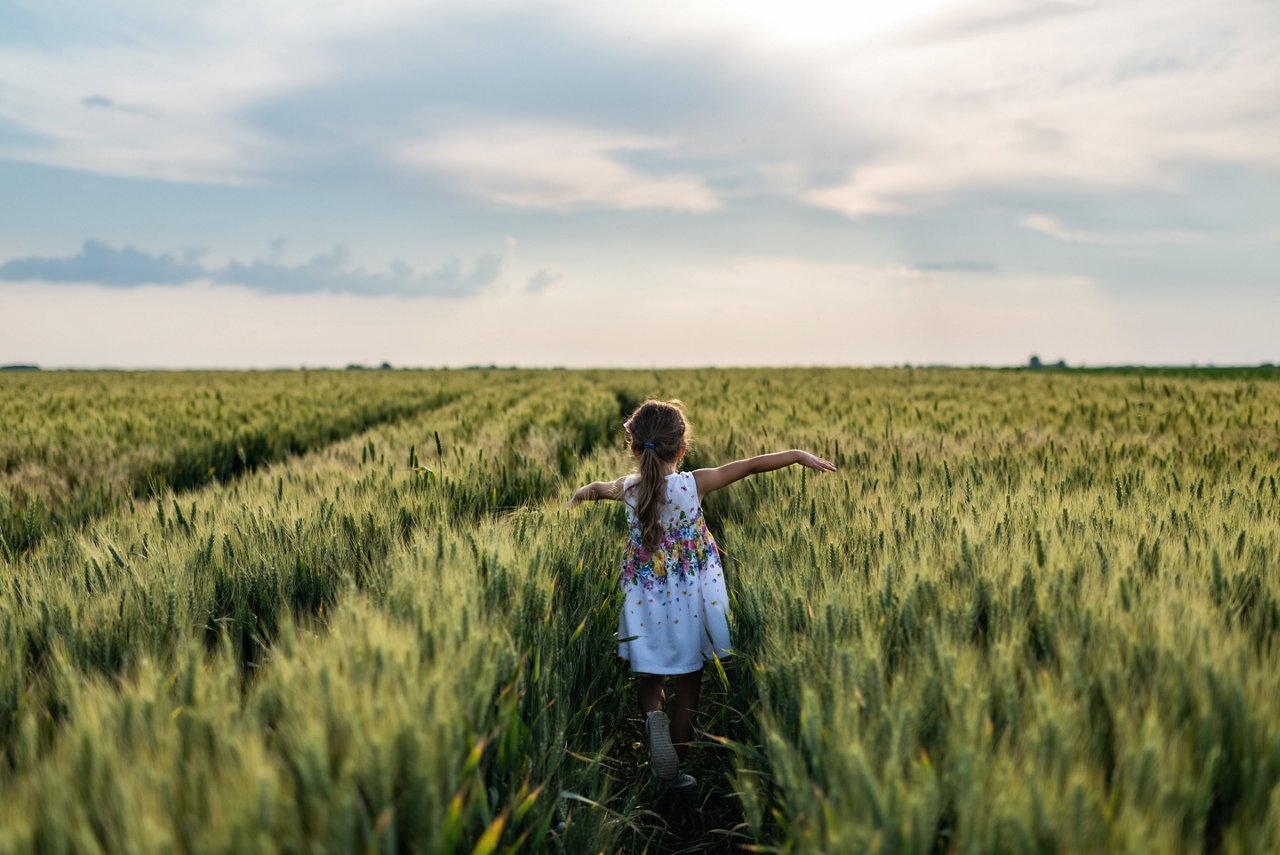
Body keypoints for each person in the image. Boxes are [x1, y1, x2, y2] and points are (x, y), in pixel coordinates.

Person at [566, 399, 836, 790]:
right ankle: (672, 770)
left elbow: (593, 489)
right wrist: (797, 455)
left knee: (650, 675)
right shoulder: (694, 484)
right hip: (689, 602)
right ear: (682, 448)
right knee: (690, 685)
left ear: (635, 448)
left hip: (645, 598)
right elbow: (750, 466)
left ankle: (651, 720)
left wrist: (573, 498)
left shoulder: (628, 488)